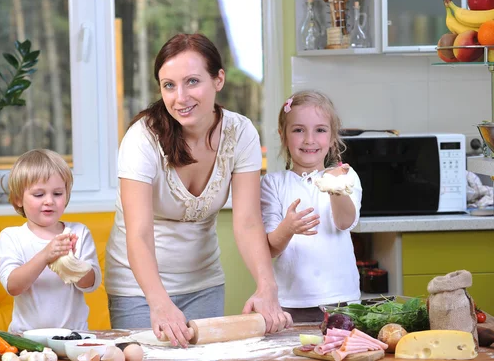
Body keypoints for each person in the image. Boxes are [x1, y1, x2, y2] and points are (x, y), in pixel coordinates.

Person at [105, 33, 293, 347]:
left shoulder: (241, 132)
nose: (180, 97)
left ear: (218, 79)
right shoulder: (142, 139)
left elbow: (247, 222)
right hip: (138, 289)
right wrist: (159, 302)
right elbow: (138, 232)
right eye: (169, 85)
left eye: (192, 81)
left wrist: (266, 287)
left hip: (204, 282)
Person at [260, 90, 362, 323]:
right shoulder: (272, 184)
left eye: (320, 130)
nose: (309, 139)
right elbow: (270, 249)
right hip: (290, 303)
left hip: (342, 299)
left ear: (333, 137)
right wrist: (287, 228)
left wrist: (336, 186)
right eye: (298, 130)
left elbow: (345, 222)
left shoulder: (345, 176)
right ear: (283, 136)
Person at [0, 149, 101, 333]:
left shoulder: (78, 232)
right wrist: (46, 255)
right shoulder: (11, 237)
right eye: (39, 195)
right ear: (18, 199)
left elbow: (90, 284)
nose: (49, 201)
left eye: (58, 193)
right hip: (26, 338)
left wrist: (73, 262)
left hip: (74, 336)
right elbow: (13, 286)